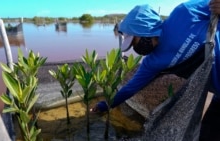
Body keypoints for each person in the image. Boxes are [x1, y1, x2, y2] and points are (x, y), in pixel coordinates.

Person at [90, 0, 220, 140]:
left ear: (144, 29)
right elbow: (129, 89)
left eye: (134, 41)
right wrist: (104, 105)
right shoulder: (152, 63)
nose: (136, 48)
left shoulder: (184, 13)